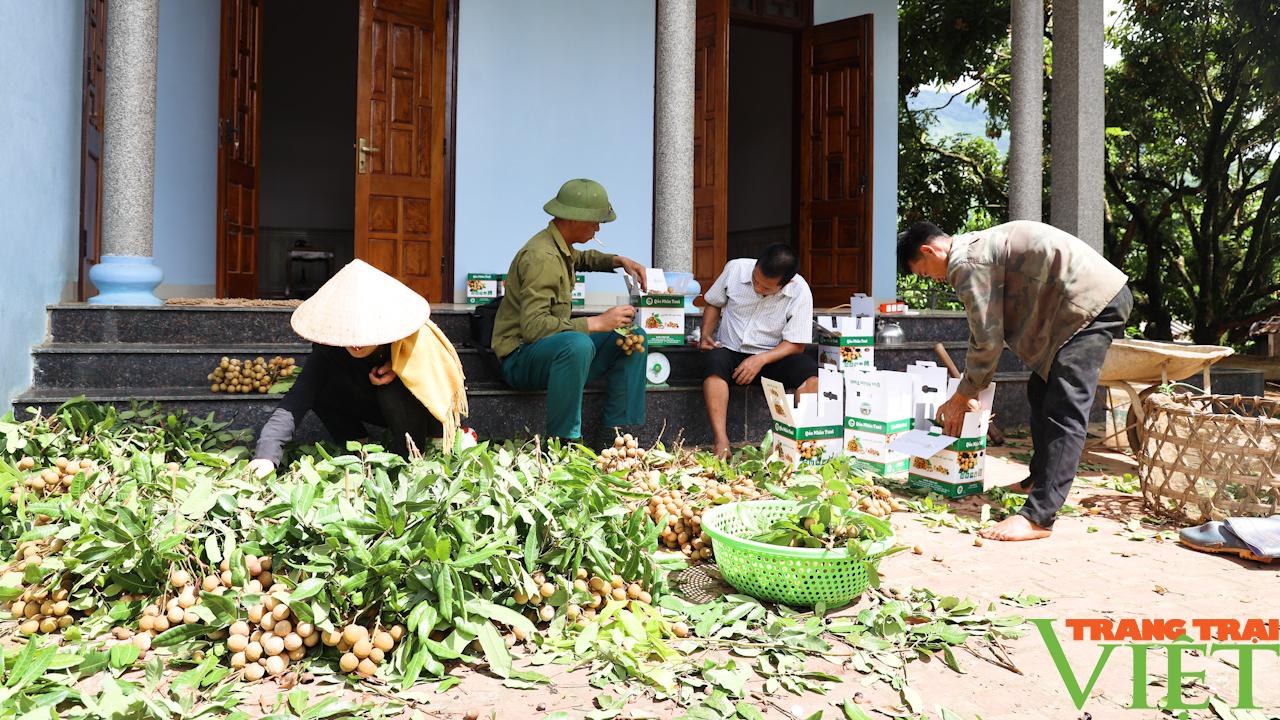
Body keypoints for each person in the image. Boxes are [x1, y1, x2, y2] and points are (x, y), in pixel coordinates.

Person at [898, 220, 1131, 541]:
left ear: (929, 250)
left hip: (1091, 303)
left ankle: (1038, 517)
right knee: (1040, 391)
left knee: (1065, 408)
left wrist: (963, 393)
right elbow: (987, 328)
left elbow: (987, 339)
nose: (934, 279)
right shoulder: (975, 249)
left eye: (925, 271)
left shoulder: (964, 261)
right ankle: (1037, 479)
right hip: (1074, 308)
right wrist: (970, 388)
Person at [247, 260, 468, 477]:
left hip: (417, 412)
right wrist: (266, 455)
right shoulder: (330, 347)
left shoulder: (413, 339)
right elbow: (297, 399)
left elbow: (440, 383)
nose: (356, 342)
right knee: (320, 389)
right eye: (350, 330)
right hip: (370, 403)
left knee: (391, 389)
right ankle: (360, 447)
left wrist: (402, 368)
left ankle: (411, 460)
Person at [491, 178, 650, 444]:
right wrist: (596, 322)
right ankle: (564, 444)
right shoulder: (542, 257)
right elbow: (533, 328)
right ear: (574, 218)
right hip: (520, 360)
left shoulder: (559, 246)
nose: (598, 227)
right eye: (595, 221)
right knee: (578, 344)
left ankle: (619, 438)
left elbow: (583, 259)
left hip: (553, 353)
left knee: (632, 338)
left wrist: (619, 260)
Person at [700, 244, 819, 458]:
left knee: (809, 371)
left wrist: (760, 359)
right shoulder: (735, 269)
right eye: (755, 281)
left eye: (766, 288)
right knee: (713, 361)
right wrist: (706, 335)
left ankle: (795, 445)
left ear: (786, 283)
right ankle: (721, 440)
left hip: (771, 357)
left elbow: (796, 344)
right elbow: (713, 302)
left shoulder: (800, 291)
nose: (757, 289)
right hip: (732, 351)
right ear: (756, 265)